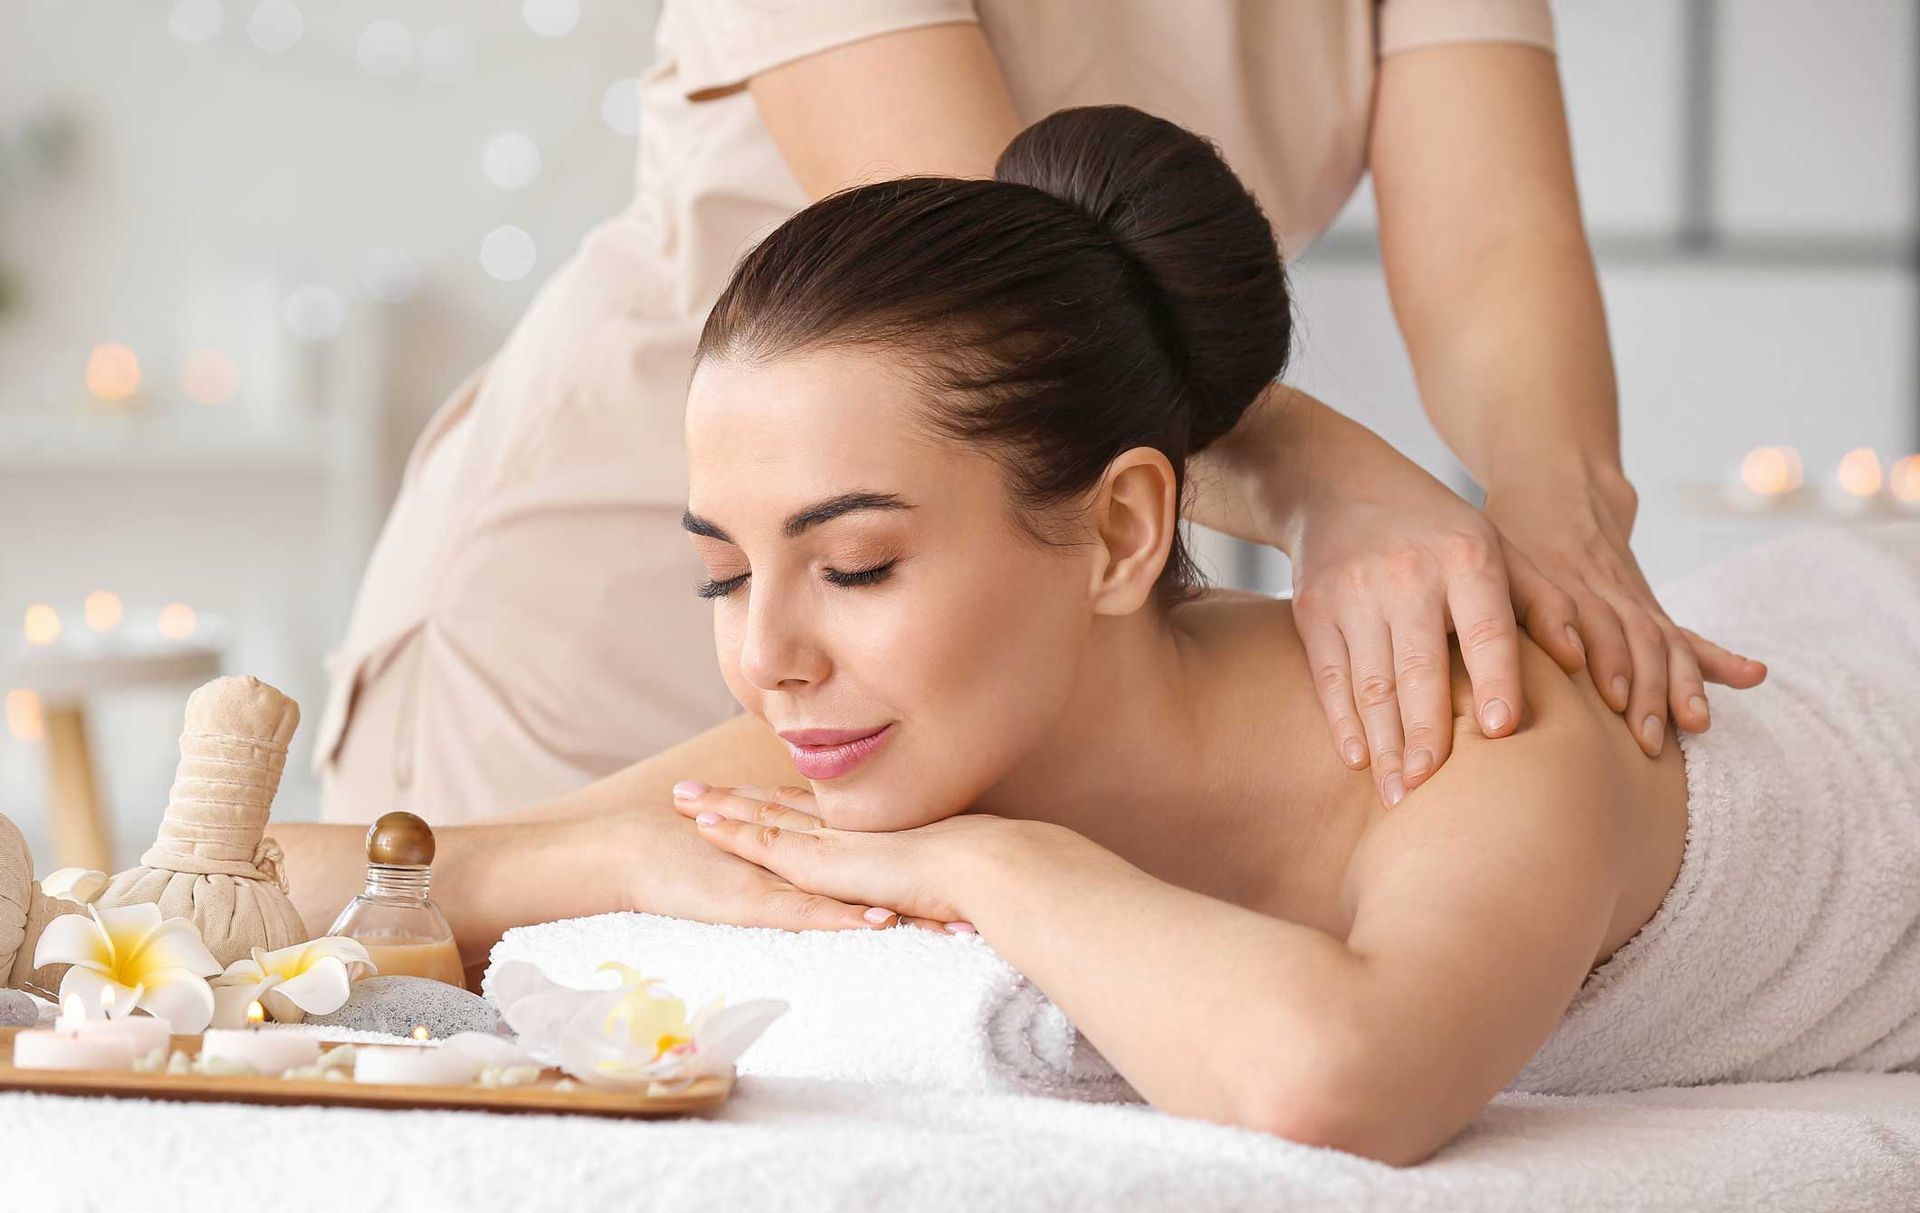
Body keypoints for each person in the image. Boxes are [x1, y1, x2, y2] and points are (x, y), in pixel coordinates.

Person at [279, 106, 1920, 1165]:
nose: (764, 653)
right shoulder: (878, 736)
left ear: (1127, 532)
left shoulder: (1472, 733)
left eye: (853, 565)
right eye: (725, 573)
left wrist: (996, 872)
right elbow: (256, 888)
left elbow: (1342, 1083)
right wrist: (595, 862)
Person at [315, 0, 1765, 827]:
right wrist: (1337, 485)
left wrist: (1566, 527)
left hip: (1007, 644)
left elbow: (1494, 253)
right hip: (624, 601)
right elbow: (999, 277)